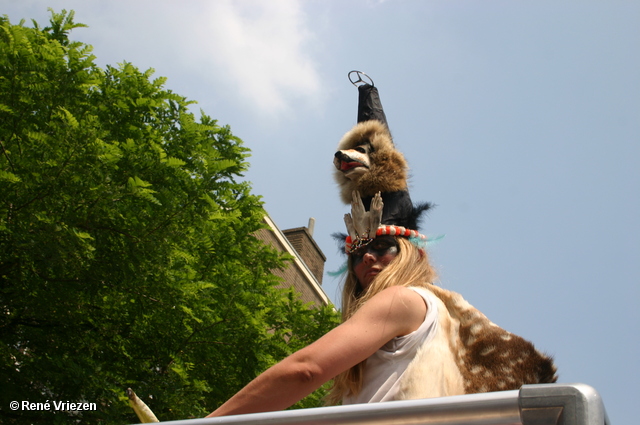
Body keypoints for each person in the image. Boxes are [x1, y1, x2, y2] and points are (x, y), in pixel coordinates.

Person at [206, 229, 439, 417]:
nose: (367, 256)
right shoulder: (441, 317)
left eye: (381, 246)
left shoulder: (402, 299)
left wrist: (210, 423)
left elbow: (305, 370)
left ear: (416, 254)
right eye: (358, 252)